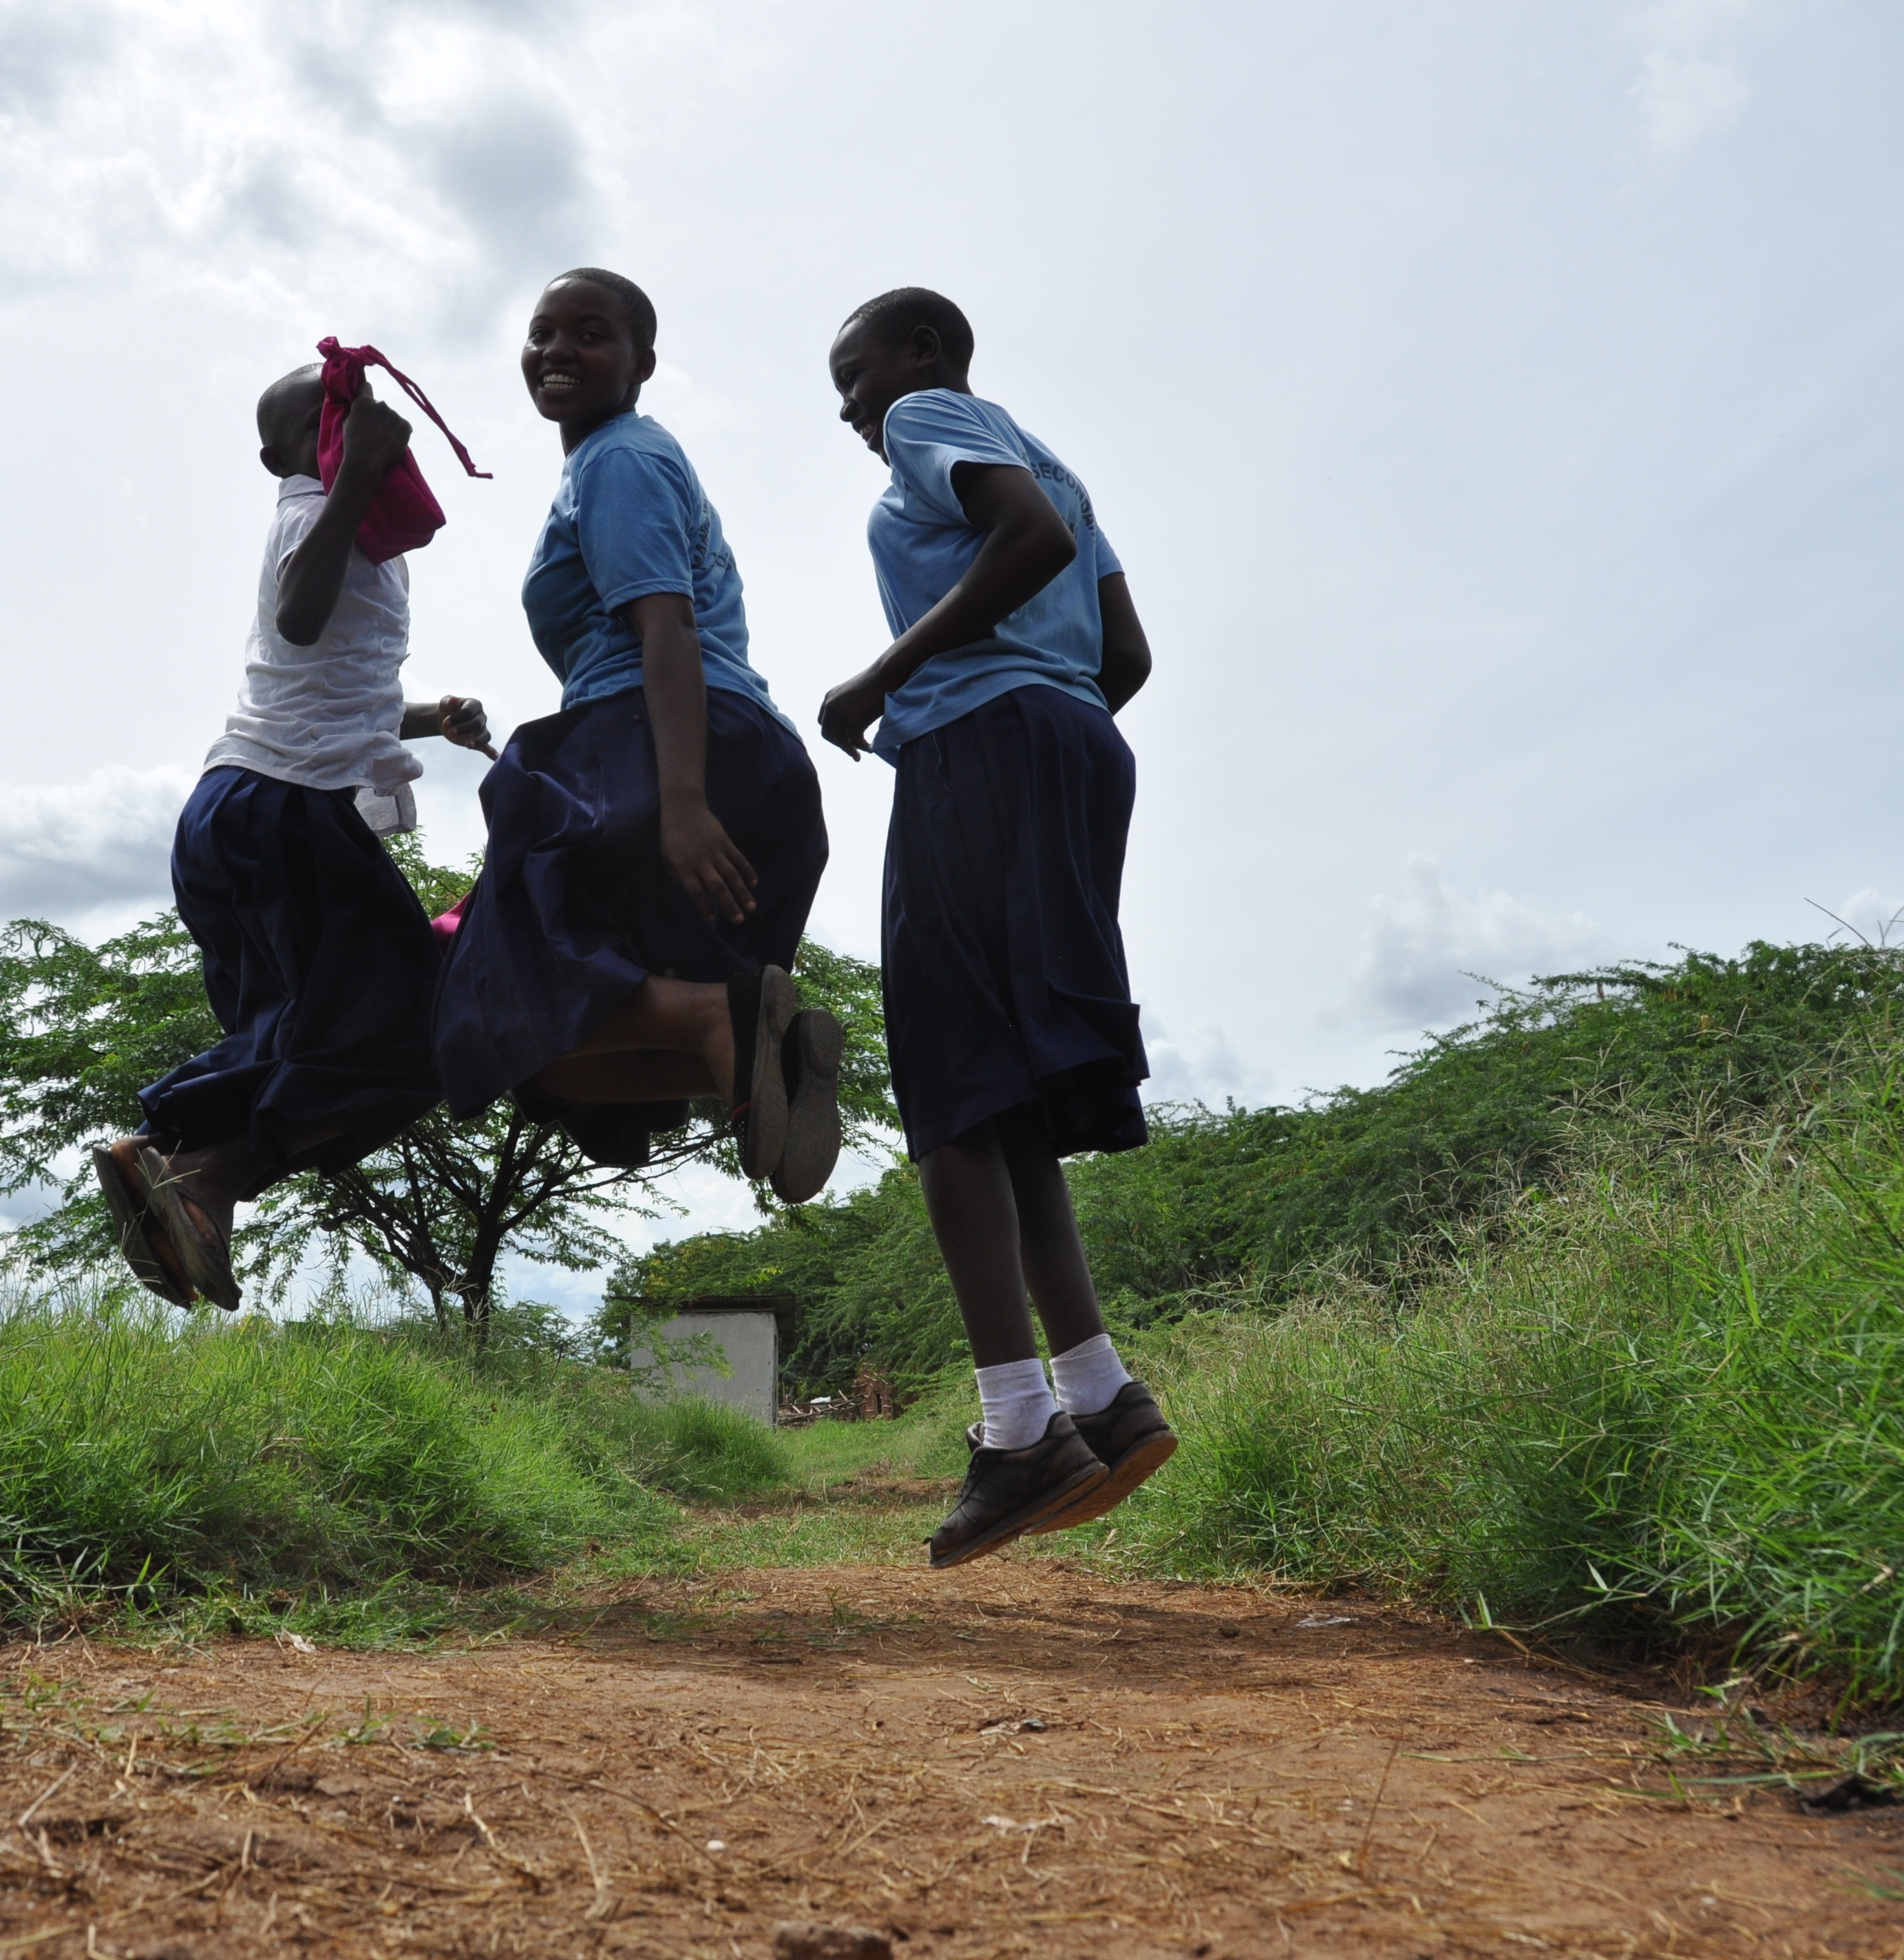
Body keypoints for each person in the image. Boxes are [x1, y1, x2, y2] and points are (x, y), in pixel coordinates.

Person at [819, 286, 1178, 1568]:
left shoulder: (936, 412)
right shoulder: (1058, 459)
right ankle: (1097, 1393)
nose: (854, 411)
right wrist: (1049, 712)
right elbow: (1125, 652)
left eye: (853, 377)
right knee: (1010, 1090)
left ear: (920, 353)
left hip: (986, 747)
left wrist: (887, 675)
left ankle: (1018, 1429)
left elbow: (1015, 541)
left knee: (954, 1088)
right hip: (1077, 742)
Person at [434, 268, 843, 1198]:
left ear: (642, 362)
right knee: (550, 1060)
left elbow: (668, 626)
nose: (558, 351)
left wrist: (684, 803)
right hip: (722, 751)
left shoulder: (621, 458)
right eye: (543, 333)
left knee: (488, 990)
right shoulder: (608, 464)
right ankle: (759, 1056)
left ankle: (722, 1023)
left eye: (590, 333)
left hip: (663, 750)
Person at [94, 365, 492, 1309]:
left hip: (241, 807)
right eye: (325, 422)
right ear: (282, 454)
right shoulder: (310, 510)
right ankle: (184, 1157)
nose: (345, 430)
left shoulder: (366, 545)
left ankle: (197, 1187)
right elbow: (298, 616)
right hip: (277, 813)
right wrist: (352, 477)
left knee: (301, 1034)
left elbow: (327, 687)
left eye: (352, 419)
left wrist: (431, 717)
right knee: (420, 1021)